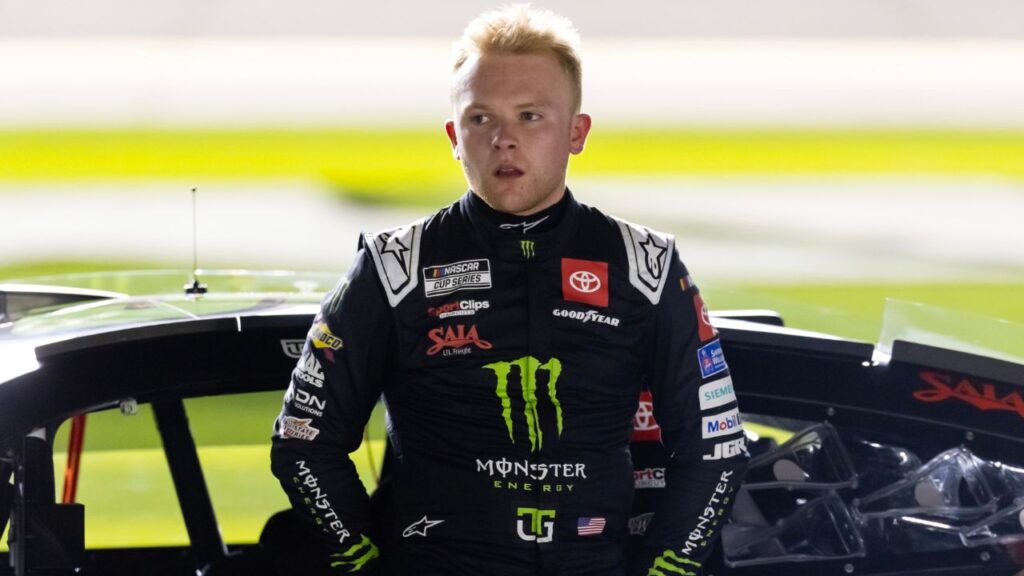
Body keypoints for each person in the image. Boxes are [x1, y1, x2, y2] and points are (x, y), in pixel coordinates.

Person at [270, 5, 748, 575]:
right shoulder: (393, 268)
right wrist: (365, 563)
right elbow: (304, 442)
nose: (504, 140)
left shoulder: (646, 266)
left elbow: (717, 449)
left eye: (529, 116)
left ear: (576, 132)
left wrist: (667, 568)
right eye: (481, 118)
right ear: (454, 137)